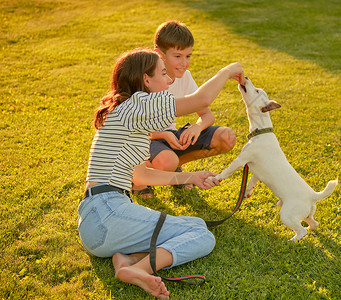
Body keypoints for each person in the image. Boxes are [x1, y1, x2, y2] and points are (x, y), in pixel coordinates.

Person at [78, 47, 245, 298]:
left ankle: (125, 259)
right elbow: (200, 101)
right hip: (108, 212)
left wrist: (191, 176)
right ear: (146, 79)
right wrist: (229, 70)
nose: (170, 80)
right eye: (163, 73)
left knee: (195, 224)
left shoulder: (127, 111)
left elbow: (141, 176)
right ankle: (137, 270)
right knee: (201, 234)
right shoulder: (138, 102)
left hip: (97, 221)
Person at [132, 21, 237, 197]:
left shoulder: (185, 77)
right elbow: (131, 130)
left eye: (188, 56)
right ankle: (138, 180)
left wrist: (197, 127)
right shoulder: (145, 80)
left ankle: (174, 171)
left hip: (172, 138)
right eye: (178, 56)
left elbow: (206, 115)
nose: (184, 63)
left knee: (226, 138)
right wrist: (164, 134)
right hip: (146, 140)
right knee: (168, 161)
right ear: (160, 54)